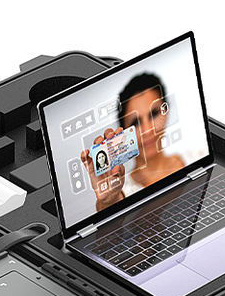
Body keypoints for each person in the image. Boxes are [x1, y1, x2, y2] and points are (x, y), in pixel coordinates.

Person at [79, 72, 186, 212]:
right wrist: (108, 203)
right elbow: (111, 211)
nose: (147, 130)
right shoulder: (120, 191)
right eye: (135, 123)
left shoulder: (198, 157)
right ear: (123, 133)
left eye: (154, 114)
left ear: (166, 112)